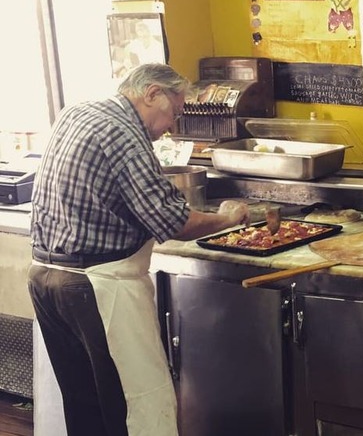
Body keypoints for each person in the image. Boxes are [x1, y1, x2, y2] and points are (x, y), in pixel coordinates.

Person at [28, 63, 251, 435]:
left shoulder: (79, 111)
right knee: (138, 406)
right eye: (174, 113)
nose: (172, 128)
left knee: (87, 409)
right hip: (96, 286)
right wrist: (228, 218)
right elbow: (172, 222)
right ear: (151, 94)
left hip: (45, 279)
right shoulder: (123, 133)